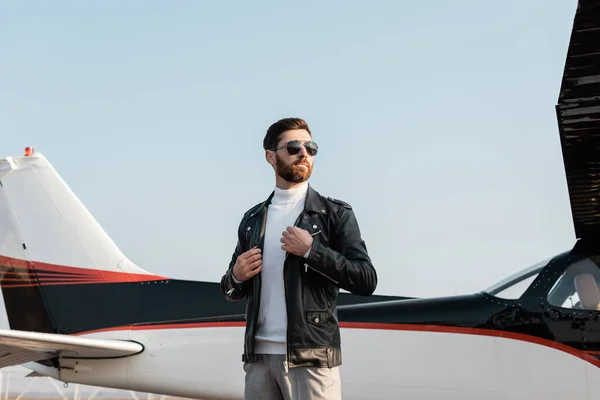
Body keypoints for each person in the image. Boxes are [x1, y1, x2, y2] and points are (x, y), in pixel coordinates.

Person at [220, 117, 377, 400]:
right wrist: (236, 276)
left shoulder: (335, 215)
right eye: (294, 147)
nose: (304, 153)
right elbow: (230, 289)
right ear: (271, 156)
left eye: (310, 147)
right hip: (258, 358)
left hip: (311, 356)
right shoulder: (252, 220)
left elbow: (366, 279)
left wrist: (311, 251)